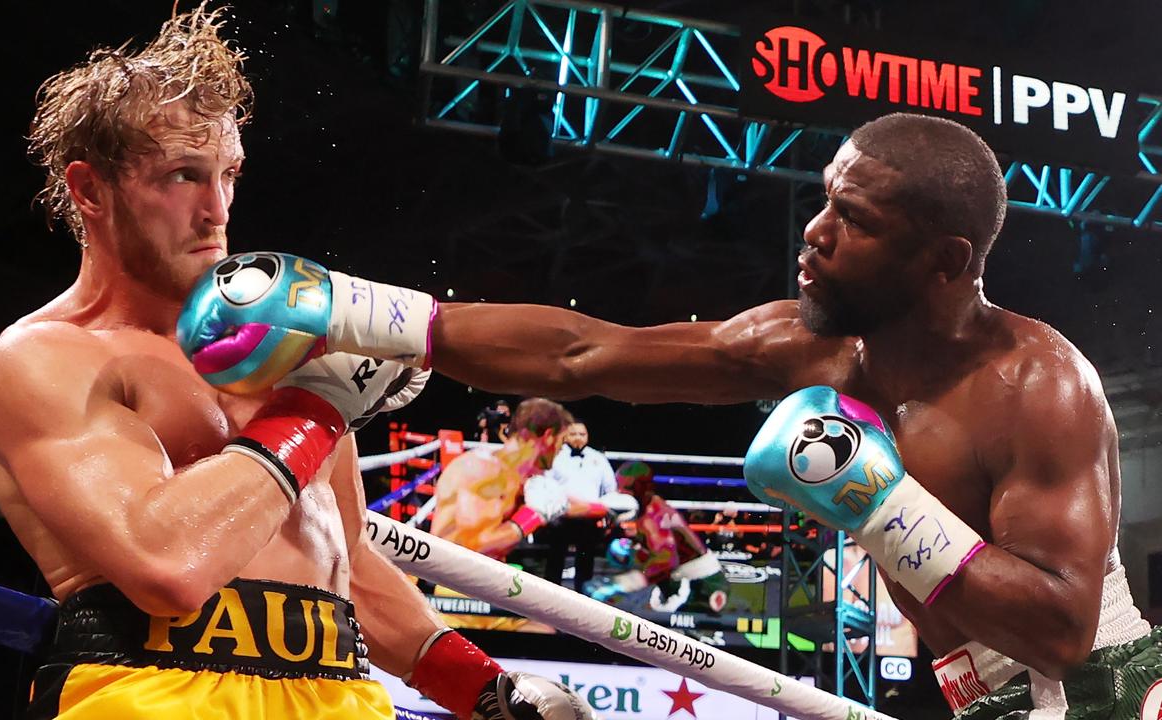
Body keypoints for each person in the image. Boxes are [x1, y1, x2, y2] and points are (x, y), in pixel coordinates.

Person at [210, 112, 1162, 717]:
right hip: (977, 697)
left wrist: (878, 503)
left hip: (1098, 694)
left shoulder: (1036, 385)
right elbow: (586, 353)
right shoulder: (811, 345)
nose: (816, 233)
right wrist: (354, 310)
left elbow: (1062, 631)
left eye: (856, 221)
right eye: (826, 202)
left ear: (946, 262)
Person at [0, 8, 592, 720]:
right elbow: (166, 566)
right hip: (157, 690)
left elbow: (343, 562)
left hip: (341, 694)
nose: (217, 210)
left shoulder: (281, 346)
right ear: (89, 190)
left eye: (227, 173)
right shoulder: (46, 358)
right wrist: (320, 406)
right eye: (181, 176)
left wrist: (482, 689)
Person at [430, 398, 607, 559]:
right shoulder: (485, 470)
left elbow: (565, 503)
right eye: (561, 442)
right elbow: (467, 549)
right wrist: (530, 517)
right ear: (548, 438)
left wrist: (609, 507)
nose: (561, 450)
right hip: (451, 587)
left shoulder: (516, 476)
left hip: (480, 584)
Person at [583, 462, 727, 616]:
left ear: (642, 489)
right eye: (619, 487)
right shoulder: (645, 507)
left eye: (627, 488)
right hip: (680, 580)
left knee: (668, 632)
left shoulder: (654, 516)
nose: (621, 492)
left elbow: (665, 562)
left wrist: (619, 584)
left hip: (700, 584)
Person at [536, 422, 626, 590]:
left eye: (582, 434)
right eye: (574, 434)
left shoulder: (598, 459)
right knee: (555, 559)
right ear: (566, 436)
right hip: (562, 516)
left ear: (587, 436)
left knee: (586, 561)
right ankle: (548, 597)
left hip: (588, 517)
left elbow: (610, 489)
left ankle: (583, 599)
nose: (578, 438)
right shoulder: (554, 456)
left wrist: (603, 511)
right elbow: (545, 485)